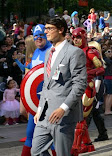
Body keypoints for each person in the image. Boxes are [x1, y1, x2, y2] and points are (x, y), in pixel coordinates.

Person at [31, 17, 87, 156]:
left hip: (63, 115)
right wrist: (39, 109)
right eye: (46, 29)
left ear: (61, 30)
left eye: (50, 29)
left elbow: (79, 84)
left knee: (63, 153)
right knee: (36, 151)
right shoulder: (49, 53)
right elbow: (47, 84)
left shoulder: (74, 52)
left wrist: (63, 108)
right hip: (44, 114)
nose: (46, 32)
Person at [21, 24, 54, 156]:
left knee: (52, 139)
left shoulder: (53, 50)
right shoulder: (35, 52)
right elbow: (32, 78)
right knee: (30, 135)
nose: (38, 39)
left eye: (41, 36)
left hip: (51, 102)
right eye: (36, 36)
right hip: (36, 104)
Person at [71, 28, 105, 155]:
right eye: (74, 37)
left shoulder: (90, 52)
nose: (75, 40)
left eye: (78, 37)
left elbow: (101, 69)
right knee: (78, 117)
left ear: (84, 37)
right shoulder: (72, 51)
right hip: (74, 87)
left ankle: (75, 147)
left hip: (87, 87)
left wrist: (87, 73)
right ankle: (88, 145)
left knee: (80, 118)